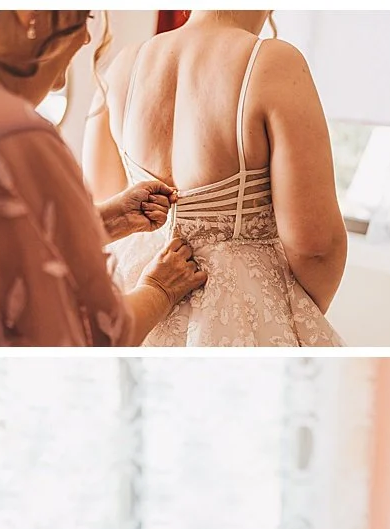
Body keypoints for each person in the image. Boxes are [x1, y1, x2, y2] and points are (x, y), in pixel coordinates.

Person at [0, 11, 205, 345]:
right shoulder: (11, 136)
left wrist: (107, 221)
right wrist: (159, 290)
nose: (86, 38)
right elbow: (94, 334)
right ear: (30, 14)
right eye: (84, 16)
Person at [86, 10, 345, 346]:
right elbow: (316, 246)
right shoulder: (273, 64)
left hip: (130, 298)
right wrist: (290, 315)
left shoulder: (122, 66)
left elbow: (103, 204)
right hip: (240, 312)